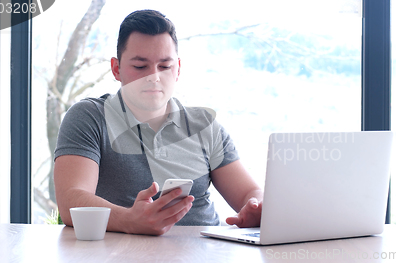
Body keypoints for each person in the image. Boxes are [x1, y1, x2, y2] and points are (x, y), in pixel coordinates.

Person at [54, 9, 263, 236]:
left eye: (165, 66)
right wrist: (129, 221)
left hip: (208, 253)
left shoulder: (204, 126)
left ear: (178, 69)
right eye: (140, 66)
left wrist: (256, 207)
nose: (154, 76)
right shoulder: (90, 117)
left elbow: (249, 192)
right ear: (116, 68)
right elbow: (71, 200)